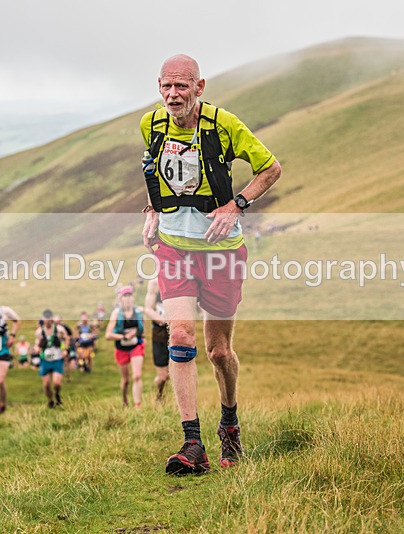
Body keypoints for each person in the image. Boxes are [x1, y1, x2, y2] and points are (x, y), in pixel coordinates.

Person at [140, 55, 281, 474]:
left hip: (221, 252)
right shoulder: (151, 125)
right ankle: (192, 443)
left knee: (219, 352)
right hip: (173, 248)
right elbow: (156, 175)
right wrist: (151, 212)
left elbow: (271, 169)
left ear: (199, 87)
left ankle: (230, 423)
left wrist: (236, 206)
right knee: (180, 335)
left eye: (181, 87)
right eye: (166, 86)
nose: (172, 95)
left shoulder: (224, 125)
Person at [104, 286, 145, 408]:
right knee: (126, 379)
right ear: (120, 299)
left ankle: (137, 405)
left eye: (129, 296)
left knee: (137, 376)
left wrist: (137, 335)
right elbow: (108, 335)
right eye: (125, 296)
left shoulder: (138, 312)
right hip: (121, 348)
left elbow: (142, 331)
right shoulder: (116, 314)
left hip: (136, 346)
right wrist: (124, 337)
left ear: (133, 298)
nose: (127, 299)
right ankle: (125, 399)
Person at [35, 309, 68, 408]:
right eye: (45, 319)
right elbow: (37, 343)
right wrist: (37, 348)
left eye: (49, 319)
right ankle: (50, 400)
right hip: (45, 360)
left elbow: (66, 339)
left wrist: (65, 349)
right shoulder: (39, 331)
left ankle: (57, 394)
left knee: (57, 383)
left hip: (57, 359)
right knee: (46, 385)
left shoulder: (59, 329)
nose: (47, 321)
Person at [143, 278, 169, 403]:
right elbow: (148, 309)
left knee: (177, 373)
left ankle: (176, 402)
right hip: (160, 334)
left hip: (178, 332)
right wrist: (163, 321)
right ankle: (158, 396)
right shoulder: (155, 283)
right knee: (163, 376)